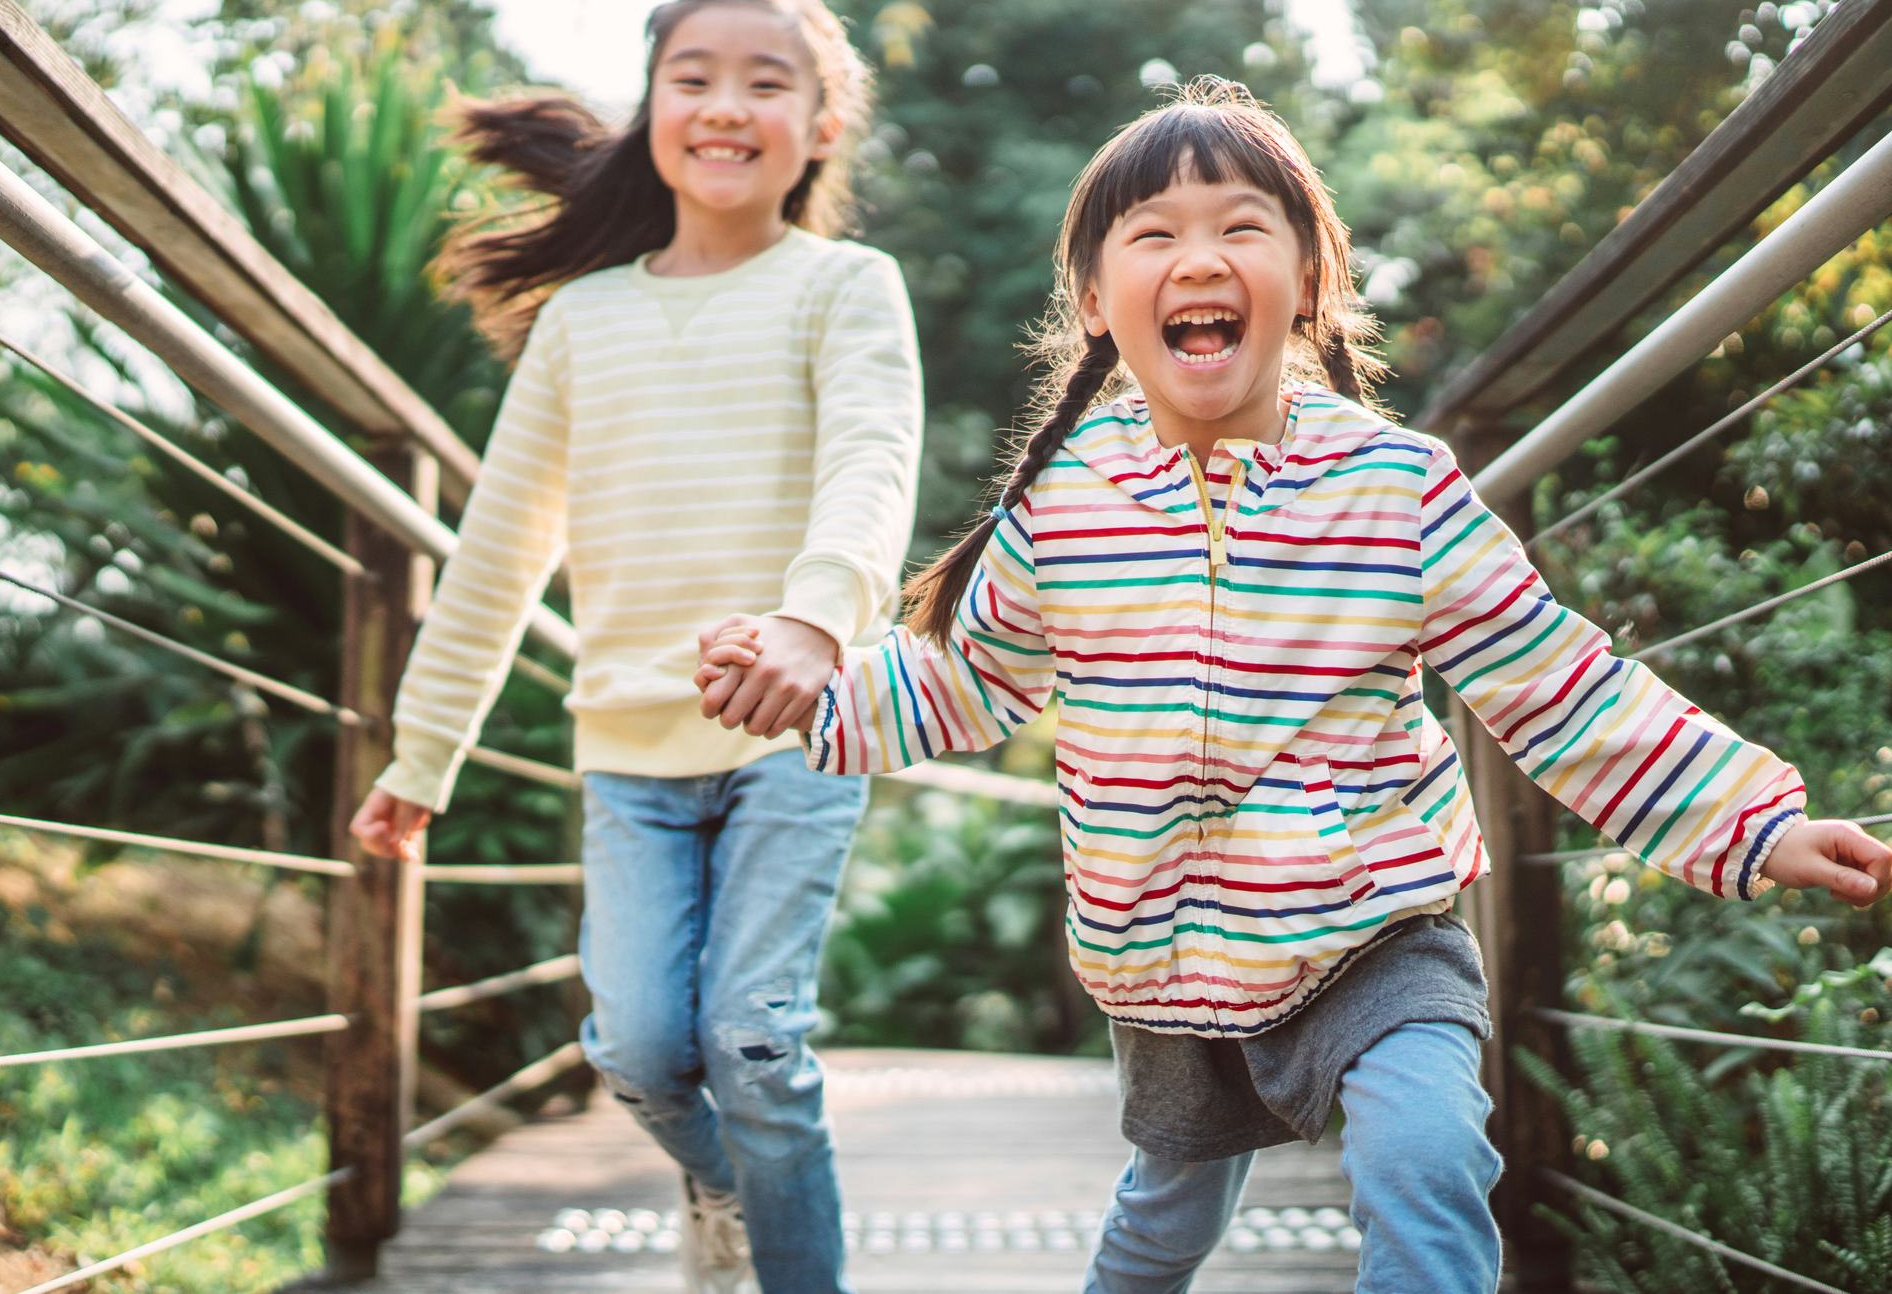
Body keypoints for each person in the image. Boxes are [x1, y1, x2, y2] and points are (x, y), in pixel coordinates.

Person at [695, 77, 1892, 1294]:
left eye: (1239, 226)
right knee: (1163, 1225)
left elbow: (1560, 682)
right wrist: (820, 695)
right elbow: (967, 676)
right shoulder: (1064, 506)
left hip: (1373, 925)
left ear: (1309, 281)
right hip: (1160, 953)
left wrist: (1757, 824)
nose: (1197, 257)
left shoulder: (1397, 489)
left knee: (1425, 1161)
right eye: (1152, 236)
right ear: (1097, 303)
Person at [349, 0, 922, 1294]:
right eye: (695, 76)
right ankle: (723, 1188)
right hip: (629, 754)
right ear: (653, 106)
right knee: (642, 1049)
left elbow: (873, 464)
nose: (727, 105)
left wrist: (813, 623)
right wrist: (420, 751)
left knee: (757, 1041)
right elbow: (498, 547)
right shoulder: (580, 322)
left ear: (823, 122)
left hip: (800, 731)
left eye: (767, 82)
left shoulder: (847, 286)